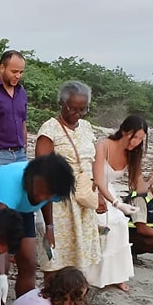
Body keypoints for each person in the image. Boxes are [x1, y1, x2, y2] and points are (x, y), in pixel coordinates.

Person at [0, 154, 76, 305]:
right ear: (31, 180)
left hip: (23, 207)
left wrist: (49, 227)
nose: (42, 197)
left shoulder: (55, 188)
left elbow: (47, 202)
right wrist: (0, 276)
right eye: (40, 192)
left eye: (48, 194)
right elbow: (0, 233)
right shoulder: (10, 184)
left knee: (28, 260)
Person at [35, 81, 102, 279]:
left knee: (80, 260)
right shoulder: (50, 130)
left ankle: (74, 303)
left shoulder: (87, 128)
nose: (78, 114)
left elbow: (92, 162)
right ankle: (51, 304)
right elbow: (42, 175)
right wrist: (49, 225)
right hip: (59, 203)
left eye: (83, 109)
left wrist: (98, 195)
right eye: (73, 108)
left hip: (83, 200)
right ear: (62, 104)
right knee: (56, 260)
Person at [88, 114, 148, 291]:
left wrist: (152, 182)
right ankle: (94, 274)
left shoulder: (132, 154)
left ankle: (116, 276)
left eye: (140, 139)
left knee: (121, 223)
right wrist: (116, 203)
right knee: (105, 224)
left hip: (110, 192)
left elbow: (140, 186)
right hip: (93, 190)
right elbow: (98, 180)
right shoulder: (103, 146)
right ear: (124, 131)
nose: (136, 142)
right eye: (134, 136)